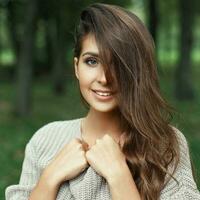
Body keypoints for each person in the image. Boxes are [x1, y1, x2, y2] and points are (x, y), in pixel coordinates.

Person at [5, 3, 200, 200]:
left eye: (118, 64)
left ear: (137, 72)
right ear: (76, 67)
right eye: (92, 61)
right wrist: (50, 178)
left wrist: (118, 175)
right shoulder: (45, 140)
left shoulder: (165, 143)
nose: (105, 78)